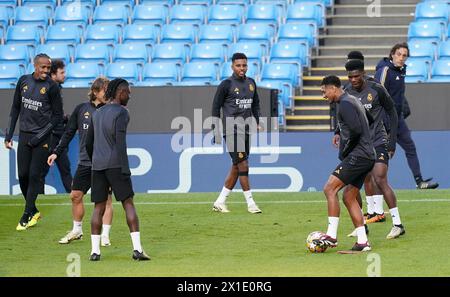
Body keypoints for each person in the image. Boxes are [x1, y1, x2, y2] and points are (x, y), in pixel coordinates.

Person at [86, 78, 150, 261]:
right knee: (128, 204)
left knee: (98, 208)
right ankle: (137, 249)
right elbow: (120, 141)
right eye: (128, 92)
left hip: (98, 166)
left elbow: (88, 143)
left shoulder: (96, 113)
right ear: (120, 92)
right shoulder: (122, 113)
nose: (129, 95)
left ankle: (95, 252)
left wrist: (96, 161)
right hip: (116, 165)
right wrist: (125, 168)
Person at [342, 59, 405, 239]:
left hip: (378, 141)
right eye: (350, 76)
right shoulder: (347, 92)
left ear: (363, 73)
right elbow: (345, 117)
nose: (353, 79)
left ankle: (398, 224)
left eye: (356, 76)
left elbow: (392, 111)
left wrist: (392, 140)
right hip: (360, 146)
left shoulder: (376, 88)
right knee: (352, 184)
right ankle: (361, 224)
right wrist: (339, 133)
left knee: (380, 178)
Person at [48, 77, 114, 246]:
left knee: (105, 200)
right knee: (75, 196)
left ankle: (105, 235)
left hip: (104, 163)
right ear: (94, 91)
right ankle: (77, 230)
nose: (108, 94)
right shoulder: (81, 109)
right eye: (105, 91)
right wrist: (56, 152)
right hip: (85, 162)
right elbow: (68, 133)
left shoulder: (112, 110)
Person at [4, 53, 64, 231]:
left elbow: (57, 117)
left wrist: (40, 136)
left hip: (42, 138)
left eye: (48, 68)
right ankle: (33, 209)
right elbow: (15, 108)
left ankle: (25, 215)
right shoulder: (23, 81)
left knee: (33, 176)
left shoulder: (52, 87)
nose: (46, 71)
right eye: (43, 67)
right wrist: (9, 135)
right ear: (35, 65)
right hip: (24, 135)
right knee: (22, 175)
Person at [316, 75, 375, 252]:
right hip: (367, 155)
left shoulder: (345, 104)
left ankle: (332, 236)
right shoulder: (353, 100)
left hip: (358, 155)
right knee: (349, 196)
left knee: (329, 188)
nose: (324, 95)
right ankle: (363, 241)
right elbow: (369, 119)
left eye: (324, 91)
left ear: (333, 88)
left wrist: (346, 149)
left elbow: (356, 130)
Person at [375, 43, 438, 189]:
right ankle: (378, 184)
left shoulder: (402, 70)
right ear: (392, 54)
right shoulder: (384, 70)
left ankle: (419, 181)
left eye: (404, 55)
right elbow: (377, 93)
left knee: (410, 147)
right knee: (384, 153)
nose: (402, 58)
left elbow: (398, 93)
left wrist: (402, 106)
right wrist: (382, 119)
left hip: (398, 119)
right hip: (385, 120)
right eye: (399, 54)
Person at [211, 52, 262, 214]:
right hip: (231, 130)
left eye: (244, 65)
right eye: (238, 65)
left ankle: (220, 201)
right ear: (232, 66)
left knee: (237, 165)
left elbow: (255, 104)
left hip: (246, 130)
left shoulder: (251, 83)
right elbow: (215, 107)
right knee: (244, 165)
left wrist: (257, 121)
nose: (242, 68)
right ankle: (251, 203)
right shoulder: (226, 84)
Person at [41, 59, 73, 193]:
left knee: (65, 168)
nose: (64, 75)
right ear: (53, 75)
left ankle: (73, 196)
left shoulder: (57, 88)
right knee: (42, 171)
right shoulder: (47, 89)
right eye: (62, 72)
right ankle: (38, 198)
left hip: (58, 135)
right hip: (50, 136)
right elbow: (46, 112)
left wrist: (63, 118)